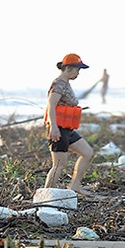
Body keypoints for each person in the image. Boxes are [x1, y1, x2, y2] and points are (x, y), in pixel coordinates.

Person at [44, 53, 94, 194]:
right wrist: (53, 127)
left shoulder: (66, 83)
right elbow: (51, 104)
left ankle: (75, 185)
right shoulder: (59, 83)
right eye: (77, 69)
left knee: (87, 152)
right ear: (68, 69)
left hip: (67, 129)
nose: (78, 73)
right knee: (59, 165)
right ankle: (46, 194)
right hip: (58, 128)